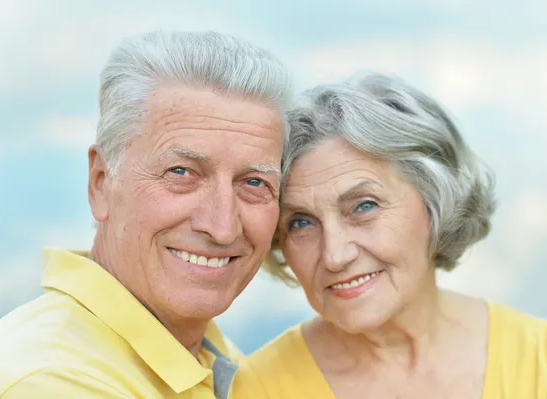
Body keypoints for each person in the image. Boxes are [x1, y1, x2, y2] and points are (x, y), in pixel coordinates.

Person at [0, 30, 292, 399]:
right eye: (181, 173)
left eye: (254, 183)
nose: (223, 227)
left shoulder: (217, 359)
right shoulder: (48, 378)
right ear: (101, 183)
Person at [234, 73, 547, 398]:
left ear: (435, 202)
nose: (335, 256)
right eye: (301, 223)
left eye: (364, 206)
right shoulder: (255, 389)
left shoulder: (538, 361)